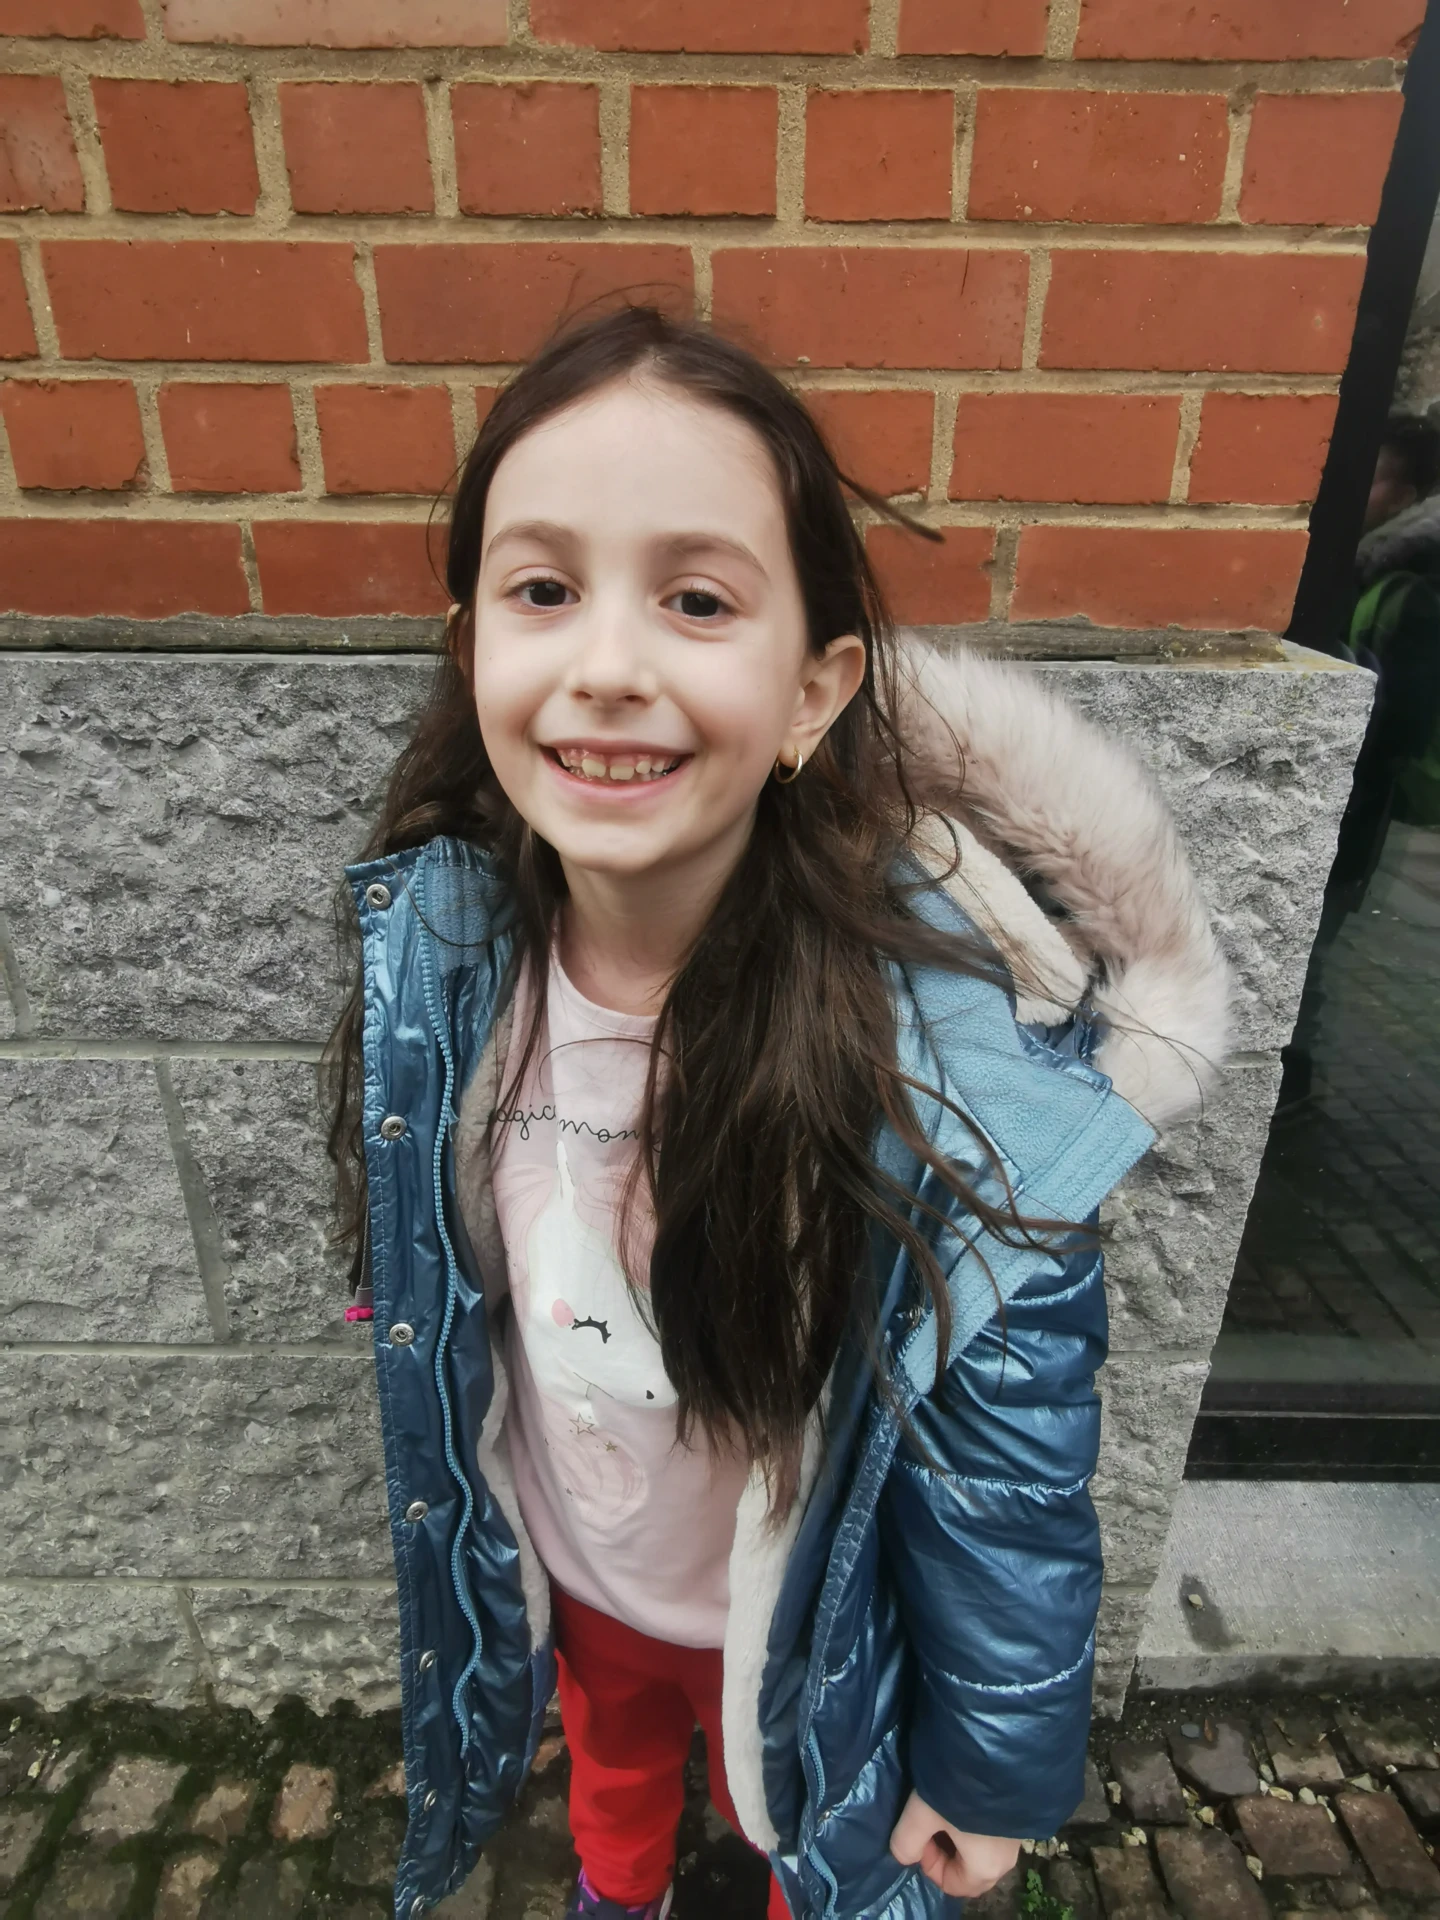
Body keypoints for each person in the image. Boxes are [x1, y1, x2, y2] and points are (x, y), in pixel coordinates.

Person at [323, 307, 1229, 1920]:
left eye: (696, 599)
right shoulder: (444, 968)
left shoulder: (942, 1079)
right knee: (611, 1764)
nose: (609, 665)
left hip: (808, 1634)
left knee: (799, 1828)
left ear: (815, 691)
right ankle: (616, 1889)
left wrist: (990, 1770)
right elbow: (439, 1251)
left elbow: (1009, 1478)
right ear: (471, 651)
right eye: (543, 590)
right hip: (581, 1576)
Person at [1278, 412, 1440, 1111]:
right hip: (1337, 806)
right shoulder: (1351, 567)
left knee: (1307, 958)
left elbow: (1402, 724)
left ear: (1406, 497)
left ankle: (1290, 1087)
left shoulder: (1408, 591)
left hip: (1352, 812)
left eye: (1371, 478)